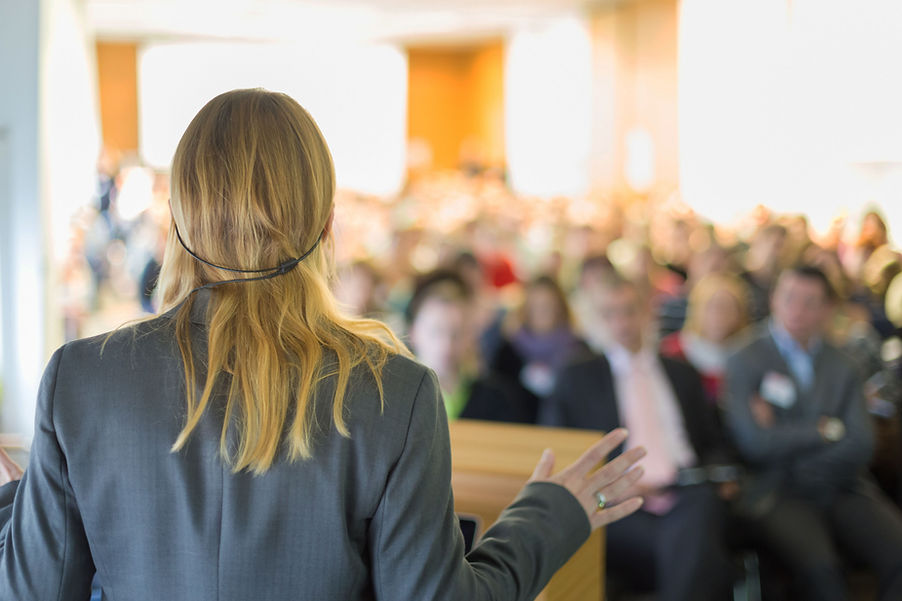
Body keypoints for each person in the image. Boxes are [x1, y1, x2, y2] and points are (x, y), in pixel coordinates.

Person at [0, 89, 646, 600]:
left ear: (178, 220)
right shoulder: (395, 392)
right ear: (328, 225)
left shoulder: (79, 380)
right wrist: (550, 516)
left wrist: (24, 506)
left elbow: (30, 590)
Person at [542, 273, 734, 601]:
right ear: (596, 320)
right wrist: (609, 487)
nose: (622, 323)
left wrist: (720, 476)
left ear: (647, 312)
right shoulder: (576, 378)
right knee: (695, 548)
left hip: (687, 491)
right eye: (610, 314)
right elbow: (560, 454)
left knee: (699, 513)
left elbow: (713, 443)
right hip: (617, 502)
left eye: (630, 310)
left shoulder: (682, 373)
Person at [724, 265, 902, 601]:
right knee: (823, 572)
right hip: (777, 490)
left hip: (842, 485)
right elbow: (754, 443)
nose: (797, 310)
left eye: (810, 302)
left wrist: (787, 439)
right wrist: (824, 430)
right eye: (789, 298)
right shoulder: (745, 358)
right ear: (773, 298)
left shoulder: (843, 363)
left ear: (826, 309)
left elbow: (861, 443)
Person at [405, 269, 535, 423]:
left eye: (457, 333)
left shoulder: (498, 399)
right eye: (435, 331)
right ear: (413, 333)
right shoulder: (396, 396)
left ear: (471, 335)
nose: (446, 344)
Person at [660, 273, 750, 407]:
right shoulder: (673, 351)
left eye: (728, 307)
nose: (719, 315)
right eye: (712, 307)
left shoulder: (748, 353)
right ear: (697, 309)